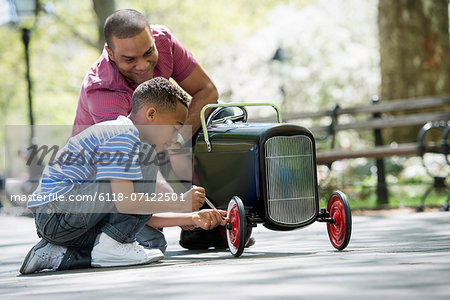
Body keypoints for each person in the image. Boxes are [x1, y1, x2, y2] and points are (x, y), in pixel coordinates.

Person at [70, 9, 242, 250]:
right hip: (101, 179)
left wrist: (177, 140)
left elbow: (206, 91)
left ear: (152, 37)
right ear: (110, 53)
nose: (143, 65)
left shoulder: (164, 41)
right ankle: (75, 245)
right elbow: (132, 163)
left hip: (153, 144)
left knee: (217, 114)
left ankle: (211, 220)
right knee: (152, 244)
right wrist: (180, 204)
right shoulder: (103, 91)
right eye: (129, 59)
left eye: (148, 52)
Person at [20, 77, 228, 274]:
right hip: (58, 213)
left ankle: (56, 255)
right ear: (152, 114)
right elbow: (127, 203)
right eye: (174, 127)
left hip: (63, 220)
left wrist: (190, 216)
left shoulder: (128, 140)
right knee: (146, 158)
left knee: (152, 243)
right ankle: (108, 247)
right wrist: (179, 202)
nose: (175, 137)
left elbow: (138, 213)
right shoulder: (123, 136)